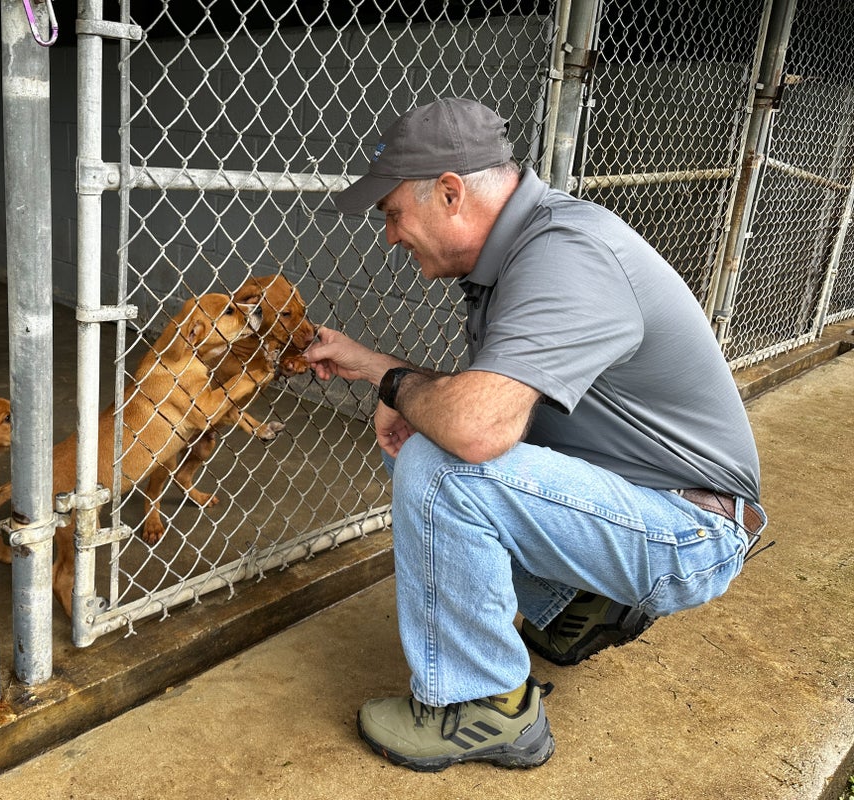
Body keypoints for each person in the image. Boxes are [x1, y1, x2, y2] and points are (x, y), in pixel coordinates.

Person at [305, 97, 766, 772]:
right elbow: (489, 404)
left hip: (692, 530)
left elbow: (475, 429)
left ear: (451, 193)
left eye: (393, 213)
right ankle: (580, 601)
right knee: (427, 434)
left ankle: (485, 705)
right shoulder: (524, 248)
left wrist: (399, 387)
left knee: (442, 464)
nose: (390, 235)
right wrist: (376, 369)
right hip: (646, 497)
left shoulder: (566, 254)